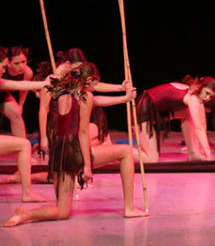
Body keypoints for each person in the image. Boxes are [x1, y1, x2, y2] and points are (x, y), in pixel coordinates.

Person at [4, 62, 146, 227]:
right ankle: (129, 208)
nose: (96, 87)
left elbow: (95, 100)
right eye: (95, 83)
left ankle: (24, 214)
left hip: (58, 153)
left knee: (62, 211)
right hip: (74, 152)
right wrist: (87, 165)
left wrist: (123, 97)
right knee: (126, 152)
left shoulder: (54, 91)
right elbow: (82, 133)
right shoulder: (85, 97)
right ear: (88, 80)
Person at [0, 47, 52, 202]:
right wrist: (44, 83)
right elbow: (16, 85)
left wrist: (44, 84)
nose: (3, 71)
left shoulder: (23, 74)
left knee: (18, 121)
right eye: (2, 66)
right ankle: (27, 193)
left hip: (4, 97)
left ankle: (25, 184)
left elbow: (21, 86)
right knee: (24, 145)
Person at [135, 76, 215, 162]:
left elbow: (202, 125)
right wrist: (209, 154)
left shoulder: (194, 96)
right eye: (207, 93)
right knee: (151, 159)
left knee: (188, 114)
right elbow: (199, 128)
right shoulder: (193, 99)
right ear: (199, 87)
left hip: (155, 111)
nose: (207, 98)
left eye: (211, 96)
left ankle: (192, 153)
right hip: (143, 112)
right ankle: (123, 152)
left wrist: (205, 152)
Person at [1, 46, 34, 138]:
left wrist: (21, 105)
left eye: (23, 62)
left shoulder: (28, 73)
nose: (21, 66)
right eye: (17, 63)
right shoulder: (2, 69)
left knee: (16, 114)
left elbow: (24, 90)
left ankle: (23, 146)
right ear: (8, 62)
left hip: (3, 94)